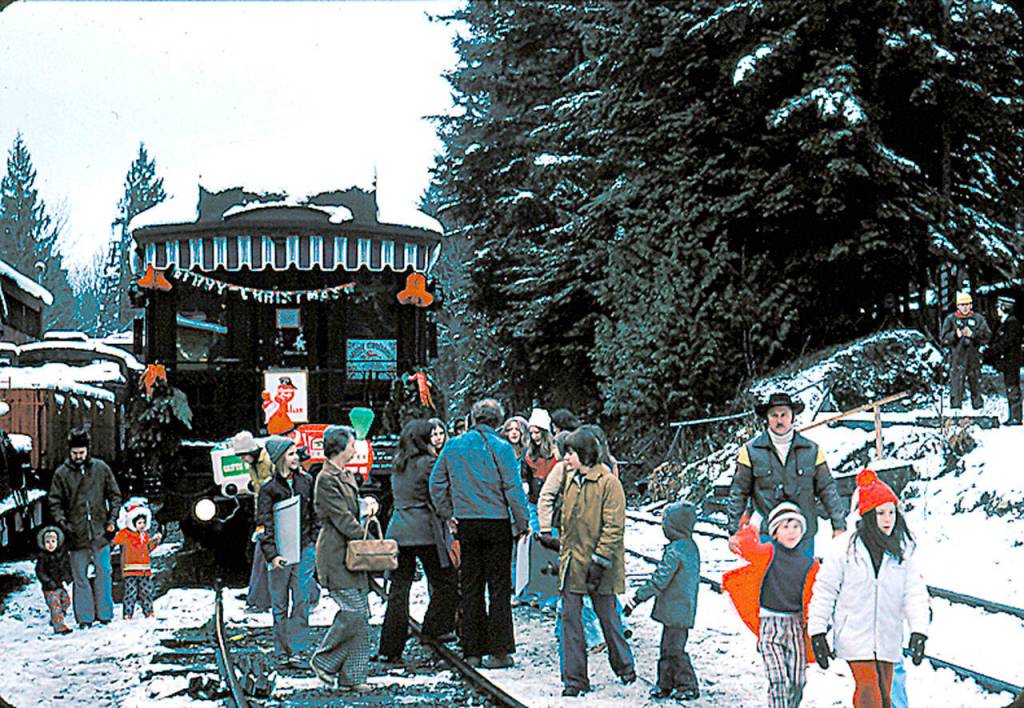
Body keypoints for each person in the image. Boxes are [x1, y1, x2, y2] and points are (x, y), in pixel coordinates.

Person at [808, 470, 930, 708]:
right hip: (854, 634)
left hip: (888, 636)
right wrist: (818, 632)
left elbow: (914, 593)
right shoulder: (843, 549)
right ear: (867, 514)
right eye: (880, 512)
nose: (887, 519)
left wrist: (919, 631)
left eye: (892, 512)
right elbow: (825, 591)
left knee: (885, 695)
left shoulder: (902, 550)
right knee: (868, 689)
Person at [430, 398, 529, 669]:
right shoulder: (502, 448)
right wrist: (522, 523)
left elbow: (436, 483)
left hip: (466, 523)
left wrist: (447, 513)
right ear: (497, 421)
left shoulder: (453, 446)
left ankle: (471, 649)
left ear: (473, 418)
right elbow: (513, 489)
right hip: (497, 523)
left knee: (471, 586)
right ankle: (499, 651)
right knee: (498, 588)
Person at [556, 427, 635, 696]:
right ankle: (575, 680)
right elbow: (566, 523)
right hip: (572, 563)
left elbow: (614, 527)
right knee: (570, 620)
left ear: (585, 454)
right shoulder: (570, 480)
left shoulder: (608, 483)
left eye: (570, 453)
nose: (566, 458)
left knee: (608, 619)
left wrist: (599, 562)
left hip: (600, 564)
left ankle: (624, 666)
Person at [723, 503, 820, 708]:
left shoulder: (809, 563)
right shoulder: (768, 552)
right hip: (770, 624)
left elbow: (816, 596)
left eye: (795, 526)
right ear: (775, 533)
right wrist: (751, 525)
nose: (791, 532)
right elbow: (747, 545)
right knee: (778, 679)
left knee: (797, 680)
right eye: (785, 527)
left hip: (795, 626)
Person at [377, 419, 458, 662]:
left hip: (399, 530)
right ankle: (433, 628)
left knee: (399, 590)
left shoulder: (398, 463)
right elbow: (438, 494)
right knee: (445, 582)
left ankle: (390, 648)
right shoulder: (429, 463)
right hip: (424, 531)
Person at [726, 392, 846, 555]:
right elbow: (738, 491)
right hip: (766, 534)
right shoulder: (749, 451)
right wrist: (734, 531)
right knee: (769, 580)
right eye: (774, 415)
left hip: (804, 535)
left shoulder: (812, 450)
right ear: (767, 418)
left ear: (792, 417)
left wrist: (839, 526)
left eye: (784, 415)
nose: (779, 420)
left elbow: (827, 489)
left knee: (804, 579)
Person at [311, 425, 380, 691]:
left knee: (361, 615)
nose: (355, 448)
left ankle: (353, 676)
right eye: (352, 444)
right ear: (340, 447)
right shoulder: (326, 478)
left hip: (352, 553)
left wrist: (369, 505)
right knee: (354, 612)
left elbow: (353, 511)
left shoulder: (344, 475)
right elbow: (342, 519)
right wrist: (371, 543)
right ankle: (324, 661)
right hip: (336, 554)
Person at [624, 501, 700, 701]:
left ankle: (687, 684)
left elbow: (659, 579)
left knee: (674, 650)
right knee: (668, 648)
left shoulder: (676, 551)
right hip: (681, 608)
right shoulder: (689, 546)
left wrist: (637, 598)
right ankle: (665, 684)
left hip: (676, 609)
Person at [48, 427, 122, 628]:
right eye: (75, 453)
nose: (78, 456)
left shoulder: (101, 468)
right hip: (75, 534)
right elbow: (54, 502)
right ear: (69, 452)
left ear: (87, 450)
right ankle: (85, 618)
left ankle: (105, 614)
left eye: (81, 452)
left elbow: (115, 495)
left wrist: (112, 519)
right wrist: (64, 524)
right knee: (79, 576)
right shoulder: (61, 474)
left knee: (104, 572)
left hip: (100, 531)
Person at [257, 436, 318, 668]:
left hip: (303, 548)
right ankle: (281, 649)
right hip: (280, 554)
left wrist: (312, 540)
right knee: (280, 603)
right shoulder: (269, 489)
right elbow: (264, 523)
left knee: (301, 599)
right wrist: (272, 554)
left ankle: (298, 649)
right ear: (280, 458)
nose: (295, 457)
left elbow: (314, 513)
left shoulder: (307, 481)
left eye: (295, 453)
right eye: (290, 454)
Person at [233, 430, 273, 612]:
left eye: (242, 455)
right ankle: (256, 596)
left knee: (264, 556)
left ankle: (257, 598)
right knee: (262, 557)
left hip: (275, 515)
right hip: (267, 516)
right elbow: (260, 494)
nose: (242, 460)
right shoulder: (254, 466)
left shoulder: (269, 460)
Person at [939, 291, 991, 411]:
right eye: (962, 305)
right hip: (957, 358)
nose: (965, 307)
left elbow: (987, 336)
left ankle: (978, 409)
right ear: (958, 306)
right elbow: (943, 338)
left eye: (967, 304)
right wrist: (955, 335)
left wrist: (973, 334)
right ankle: (955, 410)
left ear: (971, 305)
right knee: (956, 384)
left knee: (976, 383)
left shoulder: (978, 319)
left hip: (974, 357)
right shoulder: (951, 319)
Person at [111, 501, 162, 619]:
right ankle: (128, 614)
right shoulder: (125, 534)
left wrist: (155, 541)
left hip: (144, 569)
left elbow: (147, 549)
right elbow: (114, 541)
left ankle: (148, 611)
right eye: (139, 523)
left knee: (146, 592)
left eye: (144, 522)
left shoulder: (145, 535)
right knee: (130, 593)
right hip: (130, 570)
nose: (142, 525)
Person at [985, 295, 1022, 425]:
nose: (997, 310)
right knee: (1010, 386)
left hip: (1011, 361)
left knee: (1012, 387)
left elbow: (1005, 342)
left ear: (1004, 308)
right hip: (1008, 361)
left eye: (998, 307)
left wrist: (990, 351)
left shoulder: (1012, 323)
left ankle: (1016, 417)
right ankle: (1014, 416)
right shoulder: (1005, 323)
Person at [35, 526, 74, 635]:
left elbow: (64, 568)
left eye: (53, 541)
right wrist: (47, 581)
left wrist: (67, 577)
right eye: (47, 542)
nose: (50, 544)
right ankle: (59, 627)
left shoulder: (61, 555)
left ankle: (56, 619)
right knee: (55, 607)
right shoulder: (43, 557)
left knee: (65, 601)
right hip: (49, 588)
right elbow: (40, 572)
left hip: (59, 585)